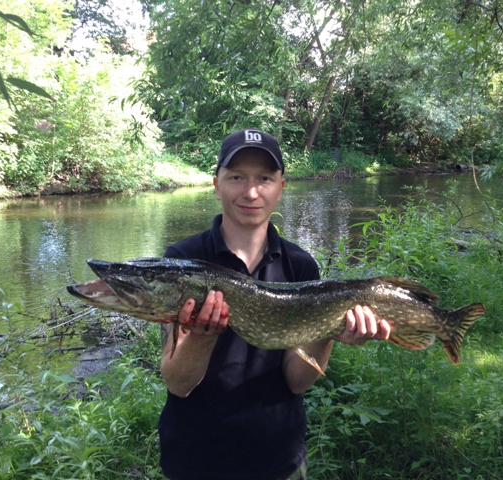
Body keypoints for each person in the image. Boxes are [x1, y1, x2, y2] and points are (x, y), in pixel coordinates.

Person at [158, 129, 390, 480]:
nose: (251, 192)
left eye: (264, 178)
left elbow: (296, 382)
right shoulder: (183, 261)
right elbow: (178, 383)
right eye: (237, 177)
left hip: (278, 459)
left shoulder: (300, 265)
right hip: (196, 459)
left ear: (281, 187)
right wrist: (202, 336)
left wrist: (327, 330)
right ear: (217, 184)